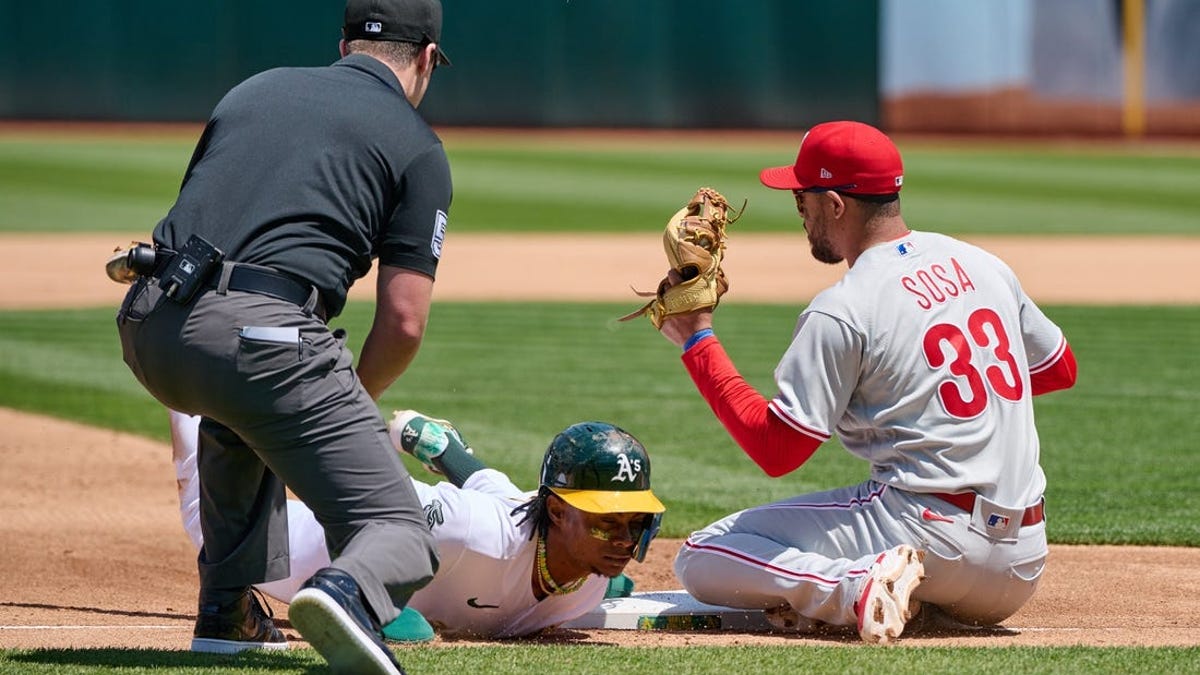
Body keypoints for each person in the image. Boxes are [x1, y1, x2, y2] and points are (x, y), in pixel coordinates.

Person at [114, 1, 454, 671]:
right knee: (400, 532)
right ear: (426, 59)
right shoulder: (418, 144)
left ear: (344, 44)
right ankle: (342, 591)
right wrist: (344, 399)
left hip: (149, 322)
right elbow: (405, 321)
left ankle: (227, 607)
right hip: (258, 337)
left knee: (242, 410)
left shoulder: (254, 88)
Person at [653, 121, 1078, 644]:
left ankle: (852, 587)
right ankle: (903, 596)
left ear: (835, 204)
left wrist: (697, 340)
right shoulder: (983, 266)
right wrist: (923, 395)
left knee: (704, 554)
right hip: (1021, 566)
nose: (800, 212)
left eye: (802, 198)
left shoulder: (844, 308)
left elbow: (777, 449)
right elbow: (1059, 368)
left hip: (928, 540)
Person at [168, 409, 666, 639]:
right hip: (309, 548)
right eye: (606, 524)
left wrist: (438, 447)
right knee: (208, 516)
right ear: (557, 512)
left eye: (634, 523)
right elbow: (366, 511)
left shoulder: (589, 585)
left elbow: (497, 488)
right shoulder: (470, 531)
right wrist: (384, 609)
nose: (623, 540)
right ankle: (188, 356)